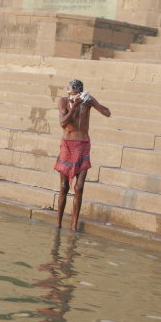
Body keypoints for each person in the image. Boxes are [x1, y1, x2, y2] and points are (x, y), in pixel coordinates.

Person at [54, 79, 111, 231]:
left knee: (79, 187)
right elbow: (63, 123)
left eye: (76, 94)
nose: (74, 97)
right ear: (68, 92)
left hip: (83, 145)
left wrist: (92, 102)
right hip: (68, 145)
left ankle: (73, 226)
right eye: (72, 94)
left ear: (80, 93)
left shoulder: (86, 102)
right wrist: (74, 107)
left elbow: (107, 113)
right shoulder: (63, 101)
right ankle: (58, 225)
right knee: (64, 186)